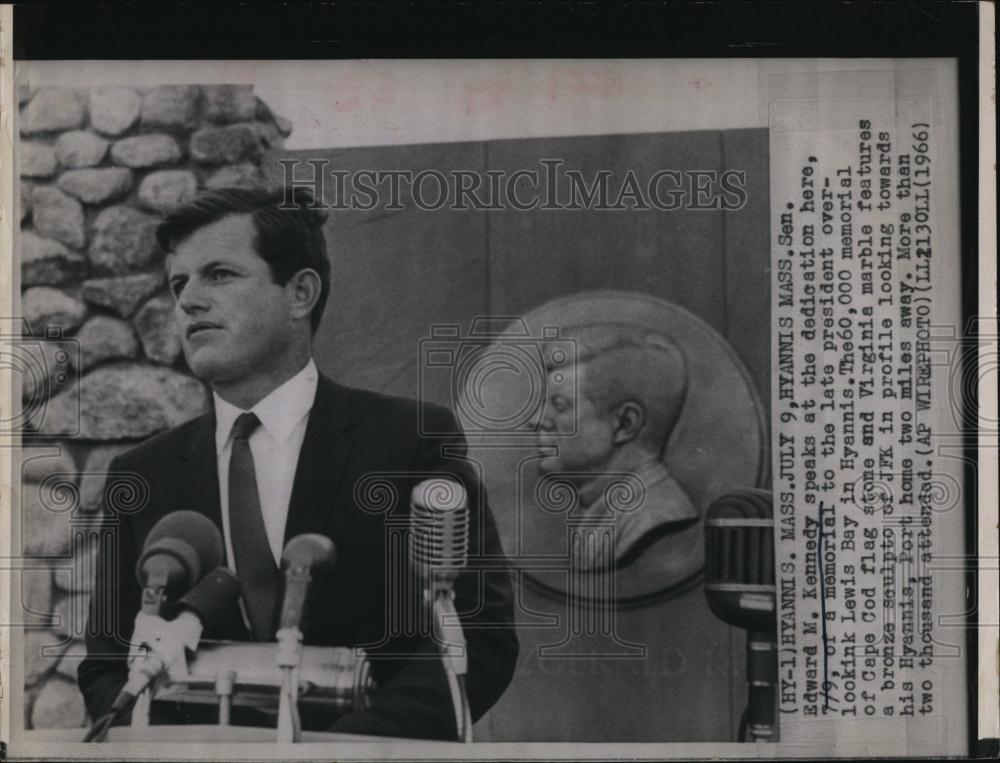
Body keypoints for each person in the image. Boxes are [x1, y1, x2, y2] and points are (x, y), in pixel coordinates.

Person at [77, 187, 518, 740]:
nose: (187, 300)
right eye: (178, 283)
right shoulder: (141, 474)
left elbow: (478, 634)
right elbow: (107, 665)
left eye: (219, 274)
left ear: (300, 293)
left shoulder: (409, 443)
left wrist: (339, 752)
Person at [534, 324, 698, 569]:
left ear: (624, 424)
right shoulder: (612, 511)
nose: (537, 421)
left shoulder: (651, 520)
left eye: (559, 405)